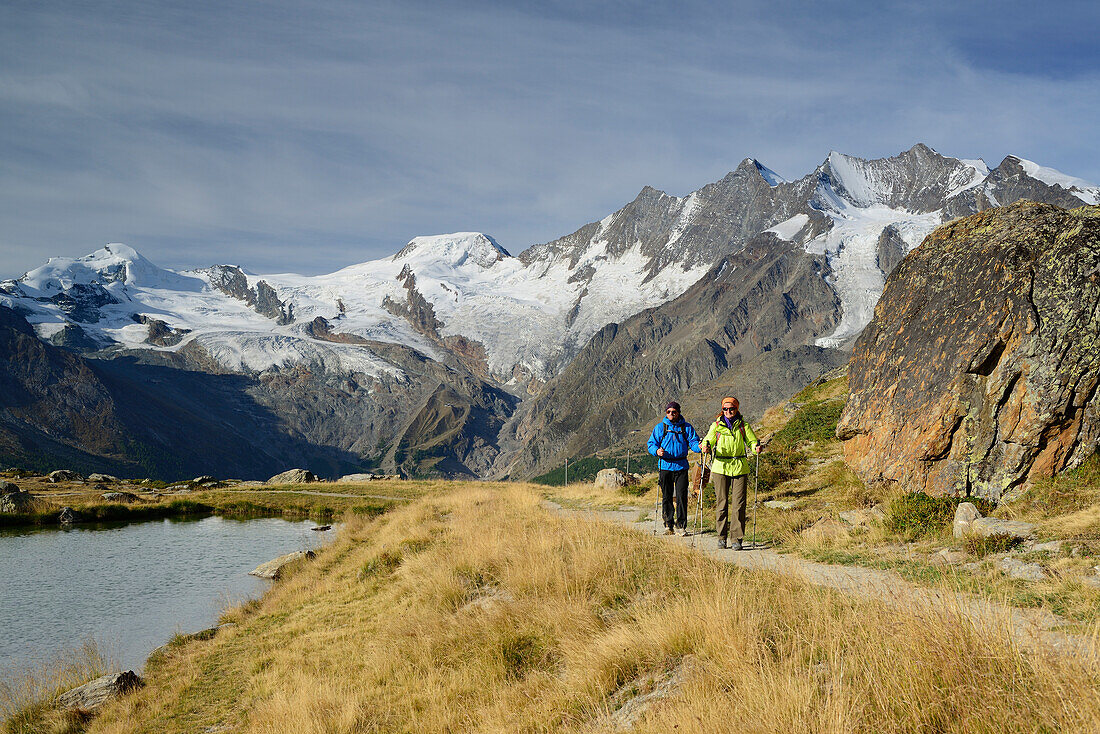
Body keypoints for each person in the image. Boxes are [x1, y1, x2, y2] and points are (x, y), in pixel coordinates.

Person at [702, 397, 760, 550]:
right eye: (725, 409)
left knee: (739, 505)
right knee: (722, 504)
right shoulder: (715, 426)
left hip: (740, 467)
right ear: (722, 410)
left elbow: (752, 441)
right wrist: (706, 446)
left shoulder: (744, 426)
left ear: (736, 409)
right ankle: (721, 537)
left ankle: (737, 539)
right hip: (720, 467)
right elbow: (709, 440)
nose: (728, 411)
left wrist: (756, 447)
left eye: (731, 409)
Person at [647, 401, 702, 536]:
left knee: (682, 496)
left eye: (674, 412)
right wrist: (656, 451)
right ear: (666, 413)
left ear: (678, 412)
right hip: (665, 466)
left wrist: (699, 448)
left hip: (681, 466)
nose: (671, 414)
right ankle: (668, 524)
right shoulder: (660, 428)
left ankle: (681, 526)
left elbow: (693, 443)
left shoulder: (686, 428)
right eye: (669, 412)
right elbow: (651, 444)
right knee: (666, 496)